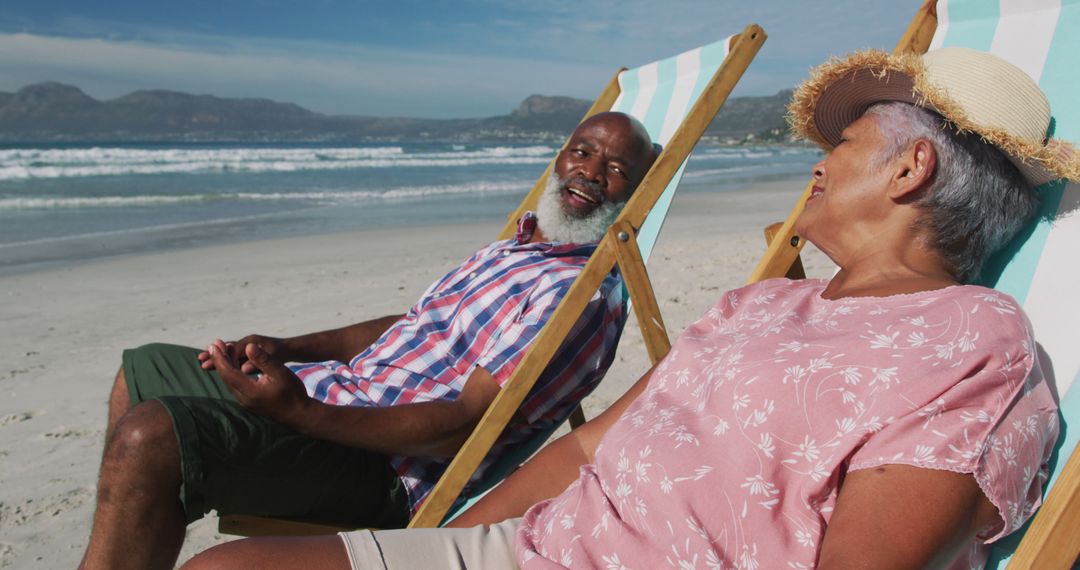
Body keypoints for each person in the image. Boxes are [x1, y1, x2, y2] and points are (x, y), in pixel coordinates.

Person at [183, 47, 1074, 570]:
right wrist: (447, 548)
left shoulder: (971, 338)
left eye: (841, 145)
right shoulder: (760, 302)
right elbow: (588, 444)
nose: (817, 163)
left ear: (910, 171)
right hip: (531, 544)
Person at [79, 111, 660, 570]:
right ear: (561, 156)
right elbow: (415, 321)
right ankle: (138, 527)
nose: (590, 170)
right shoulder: (521, 244)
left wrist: (300, 412)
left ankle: (149, 497)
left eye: (616, 169)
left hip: (380, 467)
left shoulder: (574, 296)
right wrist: (290, 348)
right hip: (338, 397)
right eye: (582, 151)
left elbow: (463, 427)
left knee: (151, 436)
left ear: (635, 192)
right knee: (145, 369)